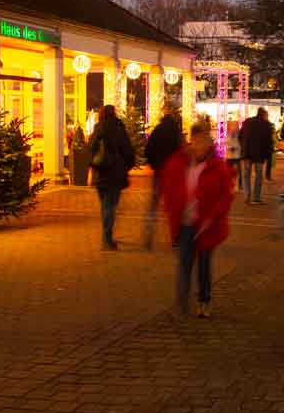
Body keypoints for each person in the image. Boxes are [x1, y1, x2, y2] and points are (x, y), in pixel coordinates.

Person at [162, 121, 233, 318]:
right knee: (184, 264)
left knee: (203, 265)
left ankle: (204, 300)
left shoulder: (218, 167)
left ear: (210, 142)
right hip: (186, 224)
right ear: (191, 141)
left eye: (204, 141)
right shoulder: (178, 162)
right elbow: (169, 187)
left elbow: (225, 196)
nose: (199, 146)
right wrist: (171, 209)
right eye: (196, 141)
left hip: (206, 225)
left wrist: (212, 217)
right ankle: (182, 304)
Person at [88, 105, 136, 250]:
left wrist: (93, 165)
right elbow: (128, 151)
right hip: (115, 174)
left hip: (100, 173)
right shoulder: (118, 128)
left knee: (105, 206)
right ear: (113, 114)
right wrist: (125, 167)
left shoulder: (98, 128)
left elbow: (90, 148)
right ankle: (107, 238)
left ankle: (106, 236)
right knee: (110, 207)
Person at [142, 108, 183, 250]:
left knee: (153, 205)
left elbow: (148, 150)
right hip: (173, 174)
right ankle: (175, 238)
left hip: (159, 171)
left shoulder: (158, 130)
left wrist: (154, 164)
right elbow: (180, 151)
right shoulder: (176, 132)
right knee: (173, 206)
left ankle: (148, 236)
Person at [240, 108, 272, 205]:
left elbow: (240, 136)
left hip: (247, 153)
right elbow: (268, 142)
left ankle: (247, 196)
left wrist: (243, 147)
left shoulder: (247, 122)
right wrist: (267, 156)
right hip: (259, 154)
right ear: (264, 115)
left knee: (246, 175)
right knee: (258, 175)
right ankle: (256, 197)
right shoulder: (267, 125)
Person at [225, 122, 242, 192]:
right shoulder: (227, 135)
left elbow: (240, 145)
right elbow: (226, 144)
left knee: (238, 172)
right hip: (230, 156)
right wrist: (230, 147)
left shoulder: (239, 135)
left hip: (236, 156)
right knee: (229, 172)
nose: (233, 129)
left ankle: (238, 186)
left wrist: (234, 148)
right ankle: (230, 185)